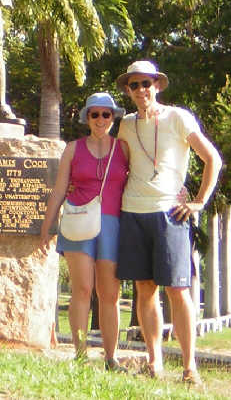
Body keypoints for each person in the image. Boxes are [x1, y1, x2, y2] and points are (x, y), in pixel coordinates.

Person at [114, 60, 222, 386]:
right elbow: (121, 168)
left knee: (178, 289)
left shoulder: (178, 117)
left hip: (170, 214)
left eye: (146, 83)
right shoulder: (127, 125)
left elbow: (212, 159)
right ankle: (154, 361)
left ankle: (190, 368)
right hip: (133, 211)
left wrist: (198, 202)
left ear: (157, 85)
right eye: (134, 85)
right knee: (144, 289)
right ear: (128, 90)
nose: (141, 90)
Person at [41, 92, 130, 370]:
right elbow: (58, 189)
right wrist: (47, 226)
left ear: (113, 117)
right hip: (79, 221)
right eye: (95, 114)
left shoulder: (124, 148)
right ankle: (79, 355)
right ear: (87, 118)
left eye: (106, 114)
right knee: (81, 289)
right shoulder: (73, 148)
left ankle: (111, 357)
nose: (101, 119)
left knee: (110, 293)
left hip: (112, 224)